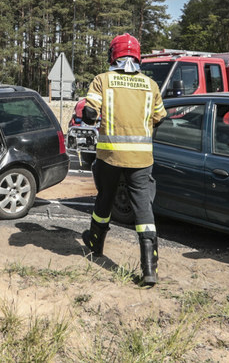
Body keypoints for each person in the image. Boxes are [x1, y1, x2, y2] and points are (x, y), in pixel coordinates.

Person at [80, 33, 167, 287]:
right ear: (137, 56)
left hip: (109, 155)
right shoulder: (150, 85)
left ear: (113, 55)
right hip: (141, 158)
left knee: (105, 198)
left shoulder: (102, 81)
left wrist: (91, 114)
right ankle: (149, 268)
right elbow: (160, 117)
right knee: (143, 208)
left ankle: (95, 244)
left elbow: (88, 114)